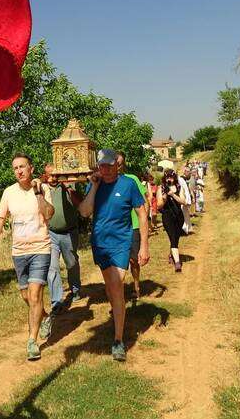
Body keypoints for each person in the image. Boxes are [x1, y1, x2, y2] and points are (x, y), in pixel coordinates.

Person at [79, 149, 149, 361]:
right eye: (102, 166)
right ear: (98, 166)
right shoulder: (95, 184)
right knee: (110, 287)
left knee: (117, 285)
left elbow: (142, 213)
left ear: (117, 165)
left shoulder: (128, 184)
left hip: (121, 243)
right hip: (100, 244)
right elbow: (84, 212)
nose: (106, 170)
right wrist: (94, 187)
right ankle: (118, 314)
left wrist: (144, 245)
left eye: (110, 166)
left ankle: (118, 340)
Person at [0, 153, 55, 361]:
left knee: (35, 295)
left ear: (31, 168)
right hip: (19, 251)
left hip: (40, 248)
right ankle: (44, 317)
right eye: (15, 168)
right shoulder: (8, 193)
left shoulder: (42, 189)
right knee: (26, 296)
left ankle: (32, 341)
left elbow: (49, 214)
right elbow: (0, 217)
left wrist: (38, 194)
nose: (19, 171)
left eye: (22, 167)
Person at [44, 163, 83, 311]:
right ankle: (56, 301)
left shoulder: (68, 185)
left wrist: (69, 188)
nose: (53, 178)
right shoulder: (43, 190)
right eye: (49, 175)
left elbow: (80, 203)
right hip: (51, 233)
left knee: (71, 263)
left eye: (55, 175)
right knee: (52, 267)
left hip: (69, 232)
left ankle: (75, 289)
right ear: (45, 176)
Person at [115, 152, 149, 301]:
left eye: (121, 163)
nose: (118, 166)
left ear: (124, 164)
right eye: (116, 163)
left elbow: (144, 200)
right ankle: (118, 290)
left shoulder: (132, 179)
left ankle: (136, 286)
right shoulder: (107, 182)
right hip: (117, 228)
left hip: (134, 225)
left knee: (134, 260)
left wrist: (145, 217)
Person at [157, 169, 187, 273]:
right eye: (167, 177)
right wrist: (165, 197)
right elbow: (159, 205)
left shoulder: (179, 187)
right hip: (167, 216)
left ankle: (171, 255)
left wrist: (173, 194)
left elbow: (183, 201)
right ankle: (177, 263)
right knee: (173, 238)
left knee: (176, 238)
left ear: (174, 177)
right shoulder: (160, 188)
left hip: (179, 216)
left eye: (171, 177)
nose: (169, 179)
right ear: (164, 178)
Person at [180, 166, 193, 234]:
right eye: (188, 172)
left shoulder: (184, 179)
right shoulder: (181, 179)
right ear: (184, 172)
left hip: (185, 199)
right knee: (183, 215)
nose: (189, 174)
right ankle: (184, 229)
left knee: (186, 214)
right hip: (182, 199)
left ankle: (186, 229)